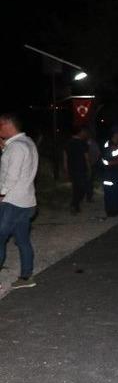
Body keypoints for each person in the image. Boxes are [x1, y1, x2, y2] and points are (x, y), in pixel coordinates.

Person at [0, 114, 40, 289]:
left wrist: (1, 194)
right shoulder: (27, 142)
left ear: (8, 125)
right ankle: (26, 277)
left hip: (12, 202)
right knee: (23, 240)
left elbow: (11, 176)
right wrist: (4, 149)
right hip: (27, 201)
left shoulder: (16, 148)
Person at [102, 126, 118, 217]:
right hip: (109, 172)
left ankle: (117, 209)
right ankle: (110, 210)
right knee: (110, 192)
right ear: (115, 134)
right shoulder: (108, 145)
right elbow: (105, 161)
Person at [64, 127, 90, 214]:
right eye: (84, 131)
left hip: (72, 169)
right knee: (82, 188)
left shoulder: (68, 143)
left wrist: (66, 169)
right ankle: (74, 204)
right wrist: (89, 168)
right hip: (80, 169)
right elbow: (86, 158)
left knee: (76, 188)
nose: (85, 133)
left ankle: (75, 205)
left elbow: (65, 158)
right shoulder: (83, 143)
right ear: (80, 132)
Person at [85, 130, 101, 202]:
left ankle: (89, 196)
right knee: (89, 181)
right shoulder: (86, 143)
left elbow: (98, 153)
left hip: (91, 164)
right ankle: (88, 196)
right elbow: (98, 153)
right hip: (87, 164)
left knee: (89, 181)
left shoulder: (92, 143)